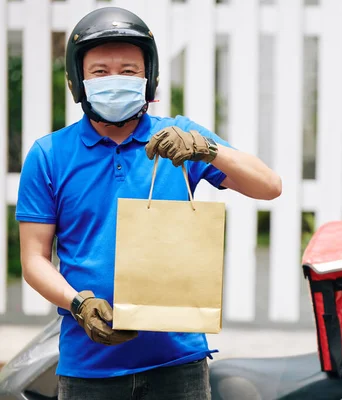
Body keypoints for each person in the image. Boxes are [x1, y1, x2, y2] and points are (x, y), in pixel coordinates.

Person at [15, 6, 281, 400]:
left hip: (177, 365)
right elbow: (34, 259)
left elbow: (269, 186)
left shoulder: (181, 139)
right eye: (100, 72)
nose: (115, 80)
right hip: (88, 368)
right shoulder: (50, 154)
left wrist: (207, 151)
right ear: (79, 81)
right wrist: (79, 305)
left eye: (128, 70)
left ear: (148, 78)